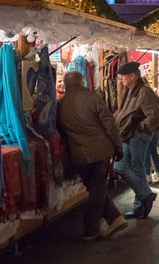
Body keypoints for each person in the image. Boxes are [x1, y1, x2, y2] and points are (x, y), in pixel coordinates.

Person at [57, 71, 126, 240]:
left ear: (66, 84)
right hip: (101, 151)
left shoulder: (60, 104)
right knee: (97, 189)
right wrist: (118, 147)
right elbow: (109, 124)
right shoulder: (93, 97)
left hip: (79, 155)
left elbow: (60, 130)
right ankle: (91, 228)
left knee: (95, 188)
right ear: (81, 82)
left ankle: (114, 218)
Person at [113, 62, 159, 219]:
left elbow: (154, 117)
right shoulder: (129, 90)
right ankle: (145, 196)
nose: (121, 80)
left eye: (123, 77)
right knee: (120, 167)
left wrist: (139, 128)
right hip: (127, 135)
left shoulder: (144, 91)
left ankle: (139, 207)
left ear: (133, 76)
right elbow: (124, 112)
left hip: (137, 136)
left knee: (137, 168)